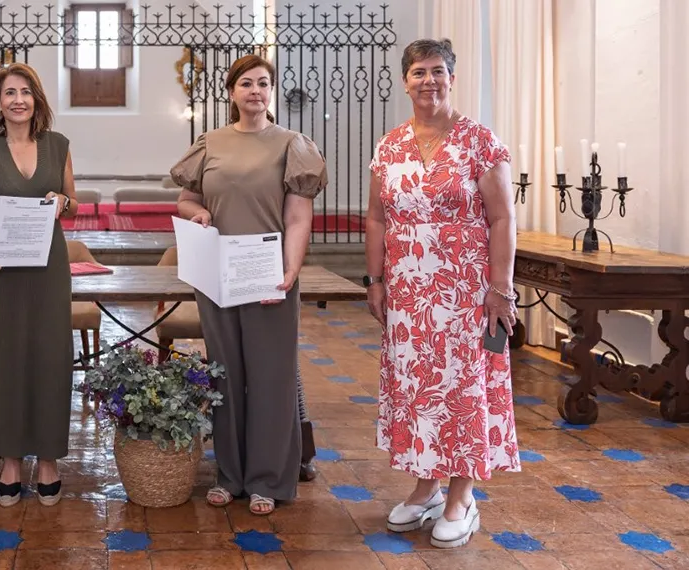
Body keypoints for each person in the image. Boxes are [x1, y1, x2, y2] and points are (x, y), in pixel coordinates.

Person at [364, 38, 519, 549]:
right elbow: (376, 217)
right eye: (418, 72)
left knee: (464, 389)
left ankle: (461, 496)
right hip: (409, 295)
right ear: (405, 80)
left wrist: (501, 291)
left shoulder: (480, 141)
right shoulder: (389, 146)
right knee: (417, 390)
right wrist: (376, 280)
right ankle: (426, 485)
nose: (428, 80)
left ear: (452, 78)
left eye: (437, 71)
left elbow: (501, 218)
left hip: (466, 293)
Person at [170, 54, 327, 515]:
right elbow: (186, 197)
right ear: (232, 91)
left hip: (268, 275)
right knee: (225, 374)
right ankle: (230, 475)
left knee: (271, 378)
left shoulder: (292, 144)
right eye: (246, 84)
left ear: (270, 91)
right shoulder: (210, 144)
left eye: (263, 83)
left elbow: (298, 216)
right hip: (217, 274)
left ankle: (268, 479)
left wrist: (289, 271)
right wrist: (194, 212)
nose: (256, 91)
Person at [0, 62, 77, 507]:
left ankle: (48, 459)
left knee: (51, 359)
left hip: (49, 268)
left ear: (37, 100)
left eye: (25, 92)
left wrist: (62, 200)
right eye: (9, 93)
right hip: (3, 273)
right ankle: (10, 459)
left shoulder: (58, 145)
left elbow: (72, 205)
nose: (18, 100)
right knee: (5, 362)